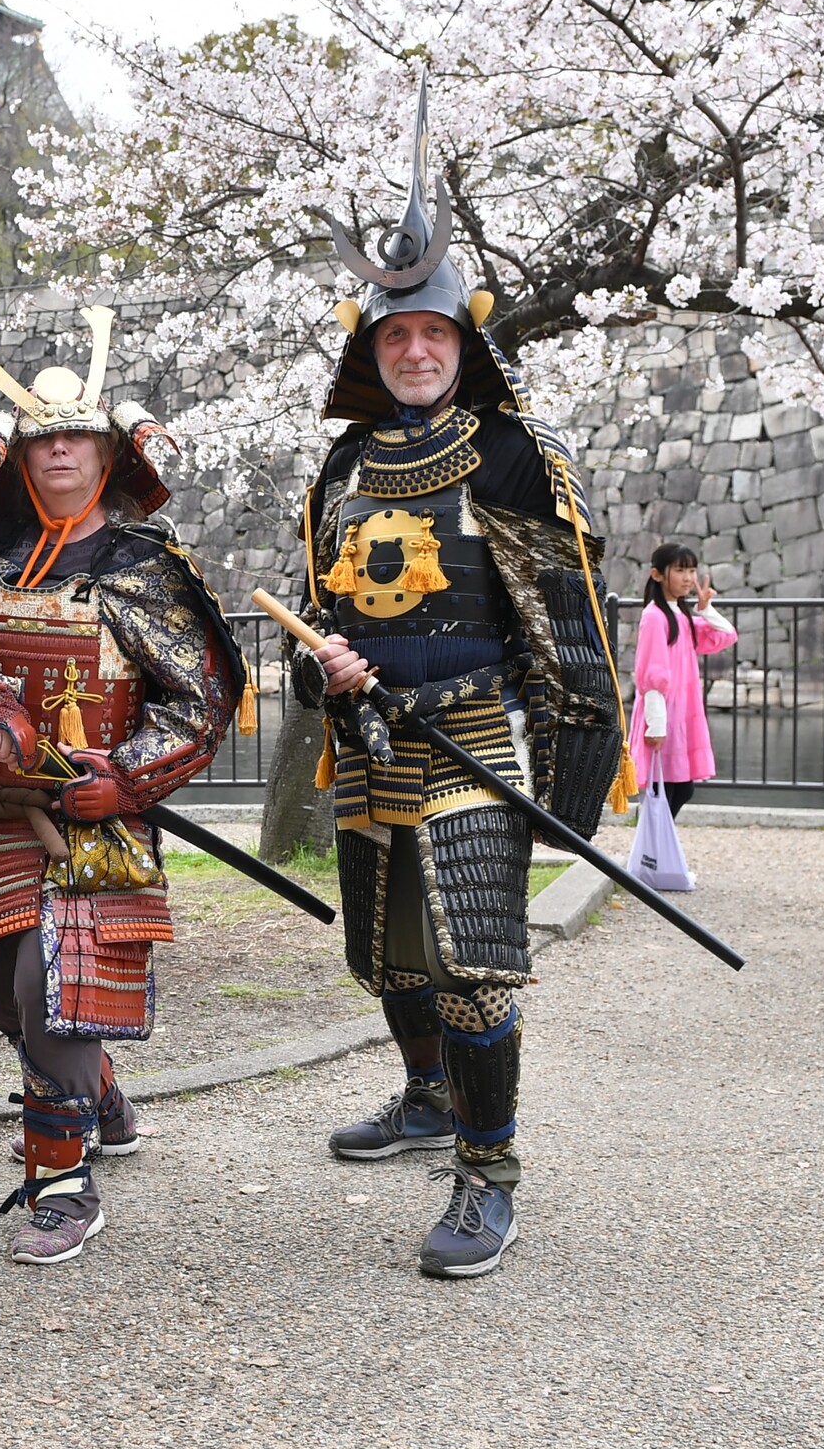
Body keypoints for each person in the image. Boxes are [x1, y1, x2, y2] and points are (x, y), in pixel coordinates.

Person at [288, 83, 625, 1279]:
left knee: (476, 960)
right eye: (395, 337)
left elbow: (572, 634)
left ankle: (487, 1171)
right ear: (371, 353)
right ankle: (426, 1094)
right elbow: (309, 626)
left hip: (478, 733)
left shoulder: (516, 455)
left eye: (432, 334)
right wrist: (315, 671)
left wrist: (574, 792)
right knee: (387, 955)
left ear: (462, 344)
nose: (415, 350)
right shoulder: (338, 468)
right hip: (372, 747)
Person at [0, 305, 243, 1265]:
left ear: (108, 454)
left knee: (48, 988)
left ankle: (62, 1187)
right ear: (19, 458)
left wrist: (129, 777)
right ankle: (97, 1095)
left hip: (99, 815)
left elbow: (203, 694)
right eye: (43, 437)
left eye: (78, 436)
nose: (60, 449)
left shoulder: (147, 565)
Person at [628, 542, 736, 819]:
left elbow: (725, 635)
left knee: (679, 788)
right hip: (664, 712)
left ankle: (656, 854)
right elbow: (652, 673)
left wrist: (705, 609)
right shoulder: (654, 615)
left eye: (692, 570)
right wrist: (656, 724)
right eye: (680, 570)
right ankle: (651, 855)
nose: (688, 578)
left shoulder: (681, 614)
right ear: (658, 575)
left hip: (681, 711)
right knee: (665, 788)